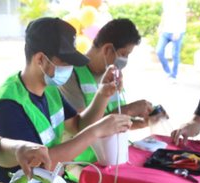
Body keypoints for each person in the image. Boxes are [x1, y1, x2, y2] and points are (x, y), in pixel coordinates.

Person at [0, 17, 132, 183]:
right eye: (64, 62)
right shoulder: (8, 105)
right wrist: (96, 132)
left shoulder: (50, 89)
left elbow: (78, 125)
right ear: (40, 59)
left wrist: (103, 94)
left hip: (50, 182)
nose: (69, 69)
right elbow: (39, 162)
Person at [60, 18, 165, 162]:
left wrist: (143, 122)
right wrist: (128, 110)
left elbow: (116, 121)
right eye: (123, 54)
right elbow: (80, 127)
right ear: (108, 49)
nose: (125, 60)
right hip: (84, 163)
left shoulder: (112, 74)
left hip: (115, 157)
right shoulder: (70, 75)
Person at [156, 0, 188, 82]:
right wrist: (160, 26)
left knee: (175, 54)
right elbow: (165, 13)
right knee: (159, 51)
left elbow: (182, 15)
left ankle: (173, 75)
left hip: (177, 31)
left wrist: (178, 30)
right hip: (166, 30)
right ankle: (168, 72)